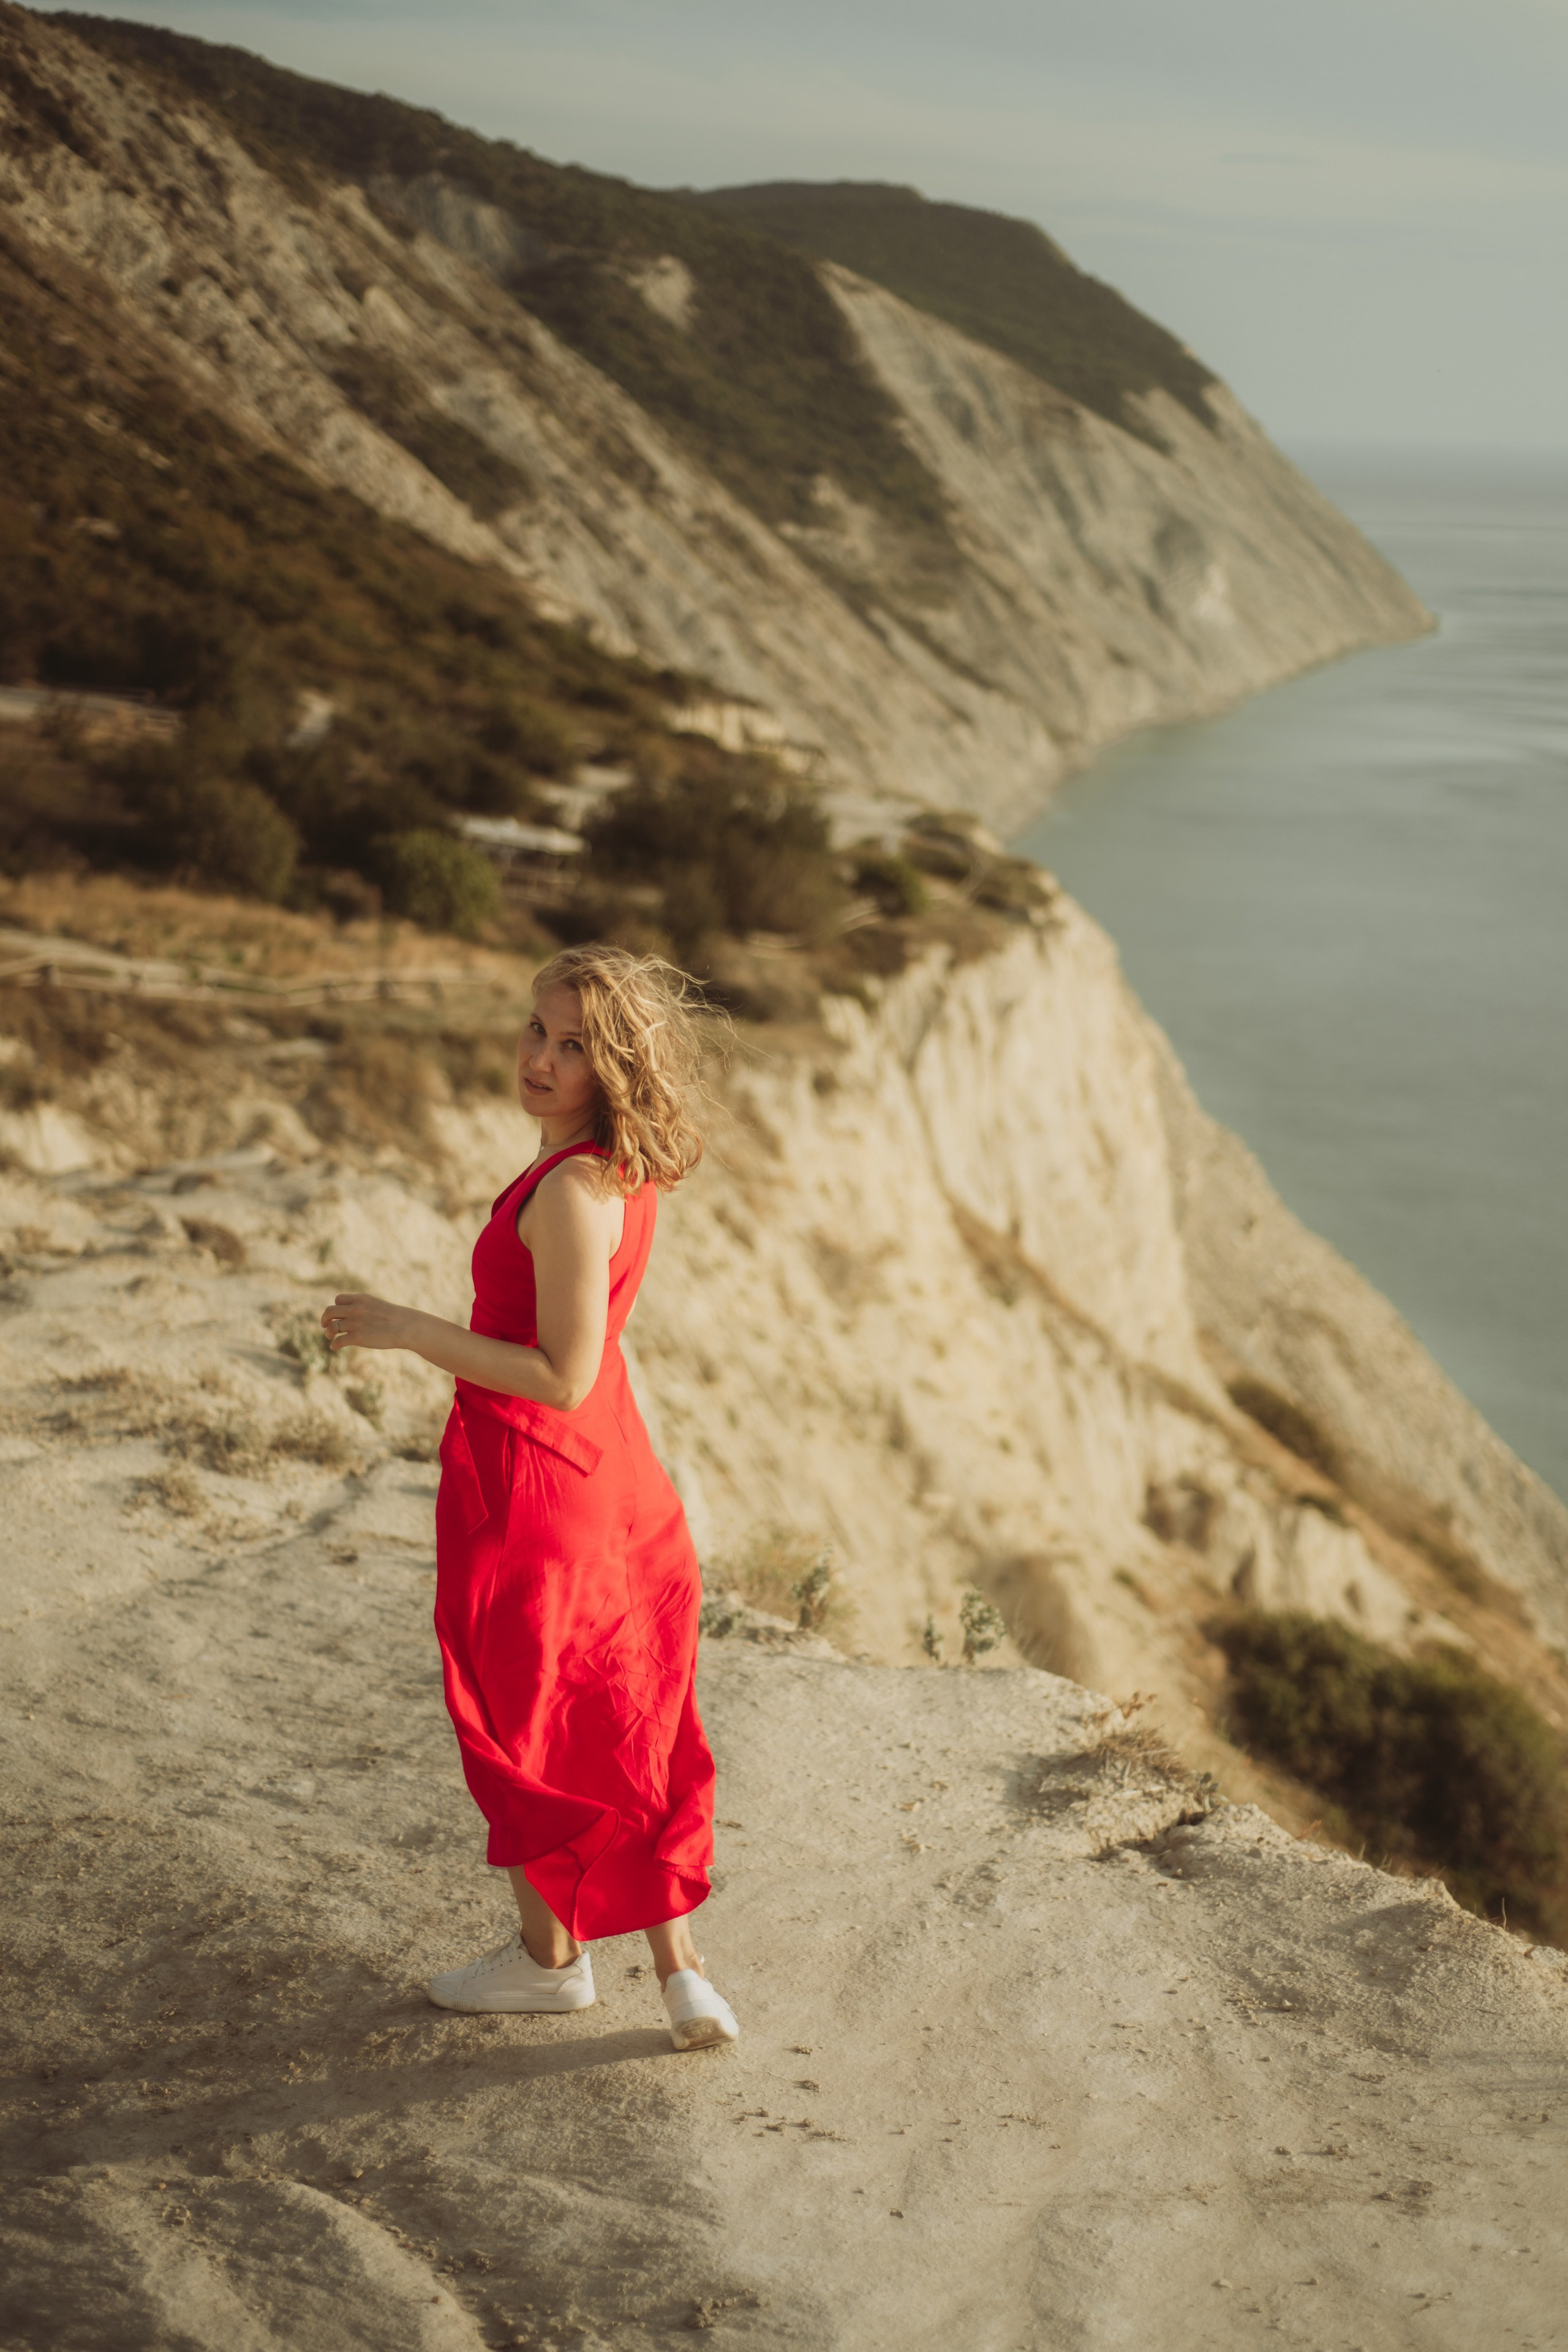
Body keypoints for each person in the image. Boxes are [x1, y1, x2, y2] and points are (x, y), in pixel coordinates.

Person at [319, 944, 737, 2052]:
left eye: (573, 1045)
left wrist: (409, 1330)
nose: (541, 1059)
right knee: (627, 1719)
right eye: (536, 1031)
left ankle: (551, 1965)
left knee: (530, 1725)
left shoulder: (566, 1193)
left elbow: (560, 1374)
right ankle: (683, 1976)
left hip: (545, 1488)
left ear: (612, 1068)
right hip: (621, 1481)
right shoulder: (621, 1170)